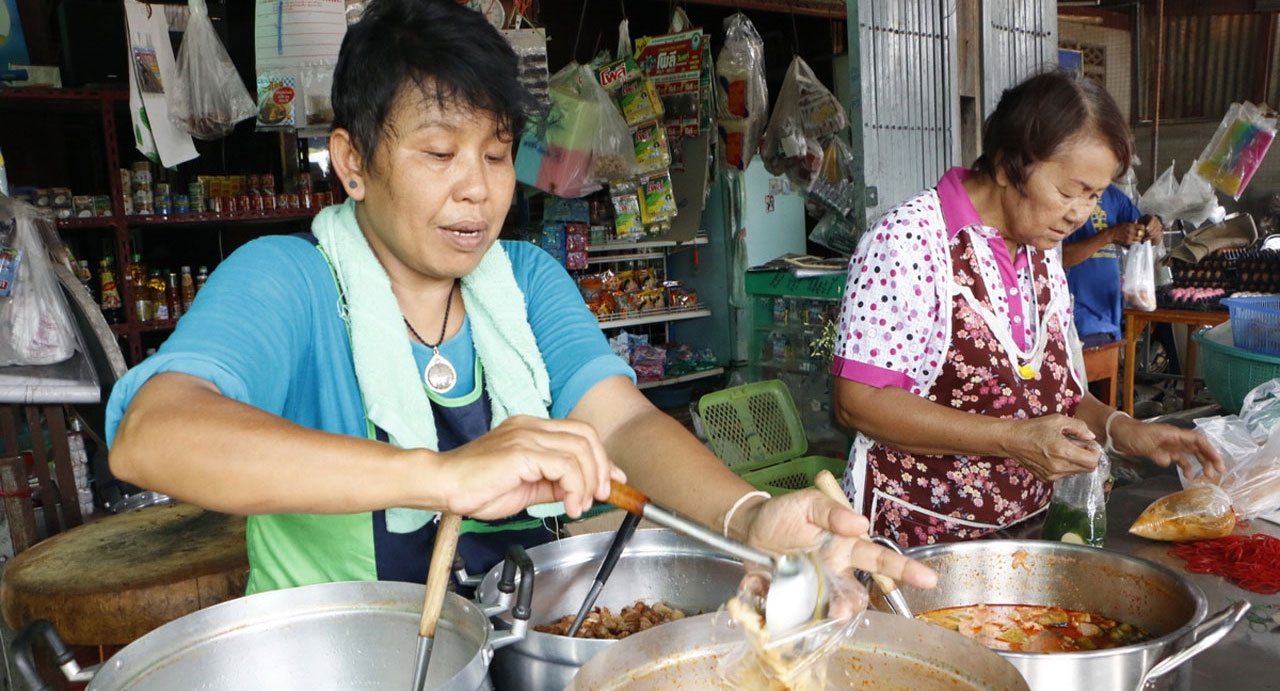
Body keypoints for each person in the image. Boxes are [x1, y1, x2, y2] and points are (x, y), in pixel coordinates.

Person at [105, 0, 934, 596]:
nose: (477, 190)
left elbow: (625, 424)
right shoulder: (286, 281)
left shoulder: (527, 281)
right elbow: (153, 436)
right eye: (439, 153)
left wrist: (749, 517)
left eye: (497, 155)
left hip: (526, 636)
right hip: (360, 674)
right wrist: (439, 477)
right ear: (352, 162)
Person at [829, 70, 1223, 547]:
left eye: (1094, 195)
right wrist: (1013, 440)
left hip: (1026, 537)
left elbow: (1055, 397)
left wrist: (1127, 430)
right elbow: (859, 403)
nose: (1079, 213)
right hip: (914, 542)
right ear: (1006, 167)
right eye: (1068, 191)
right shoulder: (908, 241)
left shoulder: (1040, 250)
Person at [1061, 183, 1163, 345]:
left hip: (1109, 315)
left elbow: (1151, 241)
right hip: (1075, 318)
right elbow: (1060, 257)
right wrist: (1109, 235)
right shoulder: (1064, 194)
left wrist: (1153, 228)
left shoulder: (1112, 195)